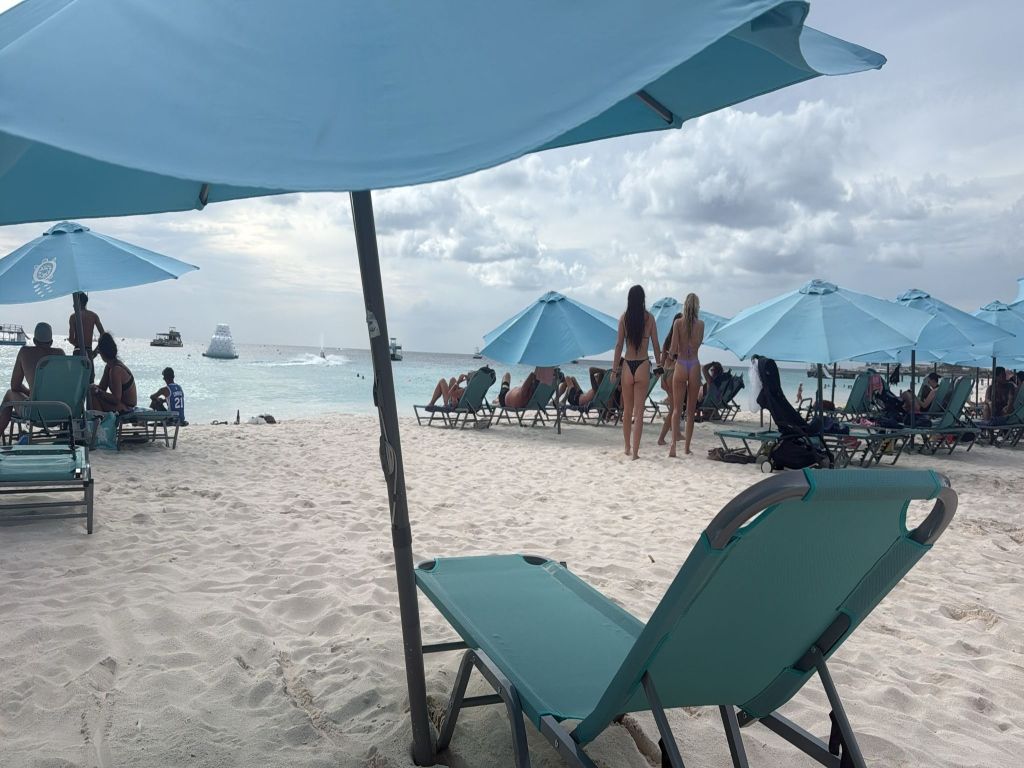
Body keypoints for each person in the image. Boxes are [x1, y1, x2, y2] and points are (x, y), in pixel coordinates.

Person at [612, 285, 661, 459]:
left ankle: (627, 447)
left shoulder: (624, 318)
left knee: (627, 410)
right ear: (642, 299)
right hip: (642, 365)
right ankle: (636, 453)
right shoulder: (649, 319)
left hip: (627, 365)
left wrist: (614, 368)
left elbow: (619, 345)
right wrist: (660, 366)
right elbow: (656, 345)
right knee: (639, 412)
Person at [0, 322, 66, 437]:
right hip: (62, 411)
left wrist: (31, 393)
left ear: (34, 341)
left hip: (36, 413)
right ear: (51, 342)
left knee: (9, 394)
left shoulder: (25, 352)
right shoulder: (60, 354)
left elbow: (15, 386)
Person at [668, 293, 703, 457]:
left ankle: (673, 445)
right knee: (691, 411)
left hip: (681, 364)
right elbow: (698, 344)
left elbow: (673, 348)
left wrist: (669, 358)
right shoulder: (701, 324)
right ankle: (687, 447)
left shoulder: (677, 323)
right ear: (697, 307)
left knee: (676, 409)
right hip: (694, 364)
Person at [89, 333, 138, 413]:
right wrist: (92, 387)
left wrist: (97, 391)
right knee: (92, 394)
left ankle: (100, 423)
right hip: (122, 404)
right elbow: (102, 388)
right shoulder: (109, 366)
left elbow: (116, 399)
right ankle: (99, 422)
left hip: (128, 407)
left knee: (93, 397)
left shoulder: (116, 370)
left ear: (102, 352)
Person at [657, 313, 681, 446]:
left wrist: (661, 379)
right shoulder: (679, 339)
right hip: (673, 372)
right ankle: (661, 438)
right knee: (674, 408)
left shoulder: (667, 339)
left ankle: (676, 434)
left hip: (665, 372)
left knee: (676, 407)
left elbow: (661, 362)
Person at [68, 292, 105, 358]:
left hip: (77, 350)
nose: (73, 305)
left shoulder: (73, 317)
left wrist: (77, 344)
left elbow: (71, 339)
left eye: (75, 302)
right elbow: (103, 335)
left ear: (78, 302)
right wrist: (95, 351)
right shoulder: (94, 316)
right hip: (89, 351)